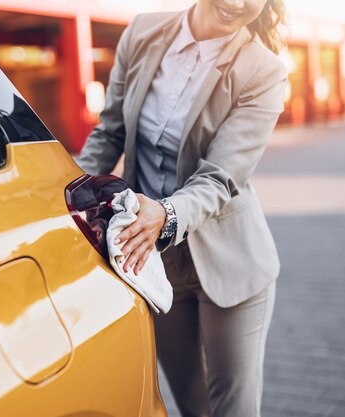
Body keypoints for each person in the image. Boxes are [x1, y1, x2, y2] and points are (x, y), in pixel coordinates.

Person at [76, 1, 287, 416]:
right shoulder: (142, 33)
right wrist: (66, 191)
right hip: (152, 262)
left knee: (234, 411)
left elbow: (221, 176)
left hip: (232, 263)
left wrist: (167, 215)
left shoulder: (264, 70)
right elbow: (110, 132)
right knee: (191, 407)